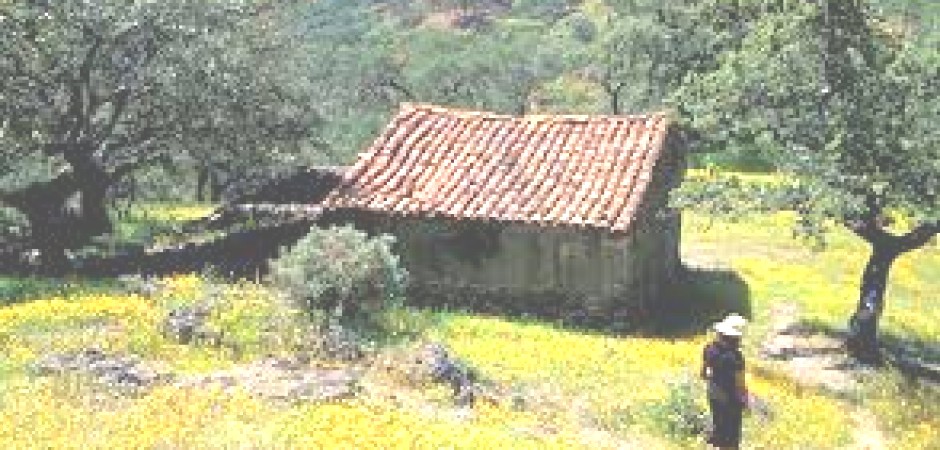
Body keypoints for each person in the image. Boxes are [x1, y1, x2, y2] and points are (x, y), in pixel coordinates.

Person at [701, 314, 748, 449]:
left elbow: (703, 373)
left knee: (719, 427)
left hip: (713, 394)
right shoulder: (736, 357)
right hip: (730, 399)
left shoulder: (709, 348)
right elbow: (740, 385)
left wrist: (714, 381)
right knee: (732, 436)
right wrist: (746, 401)